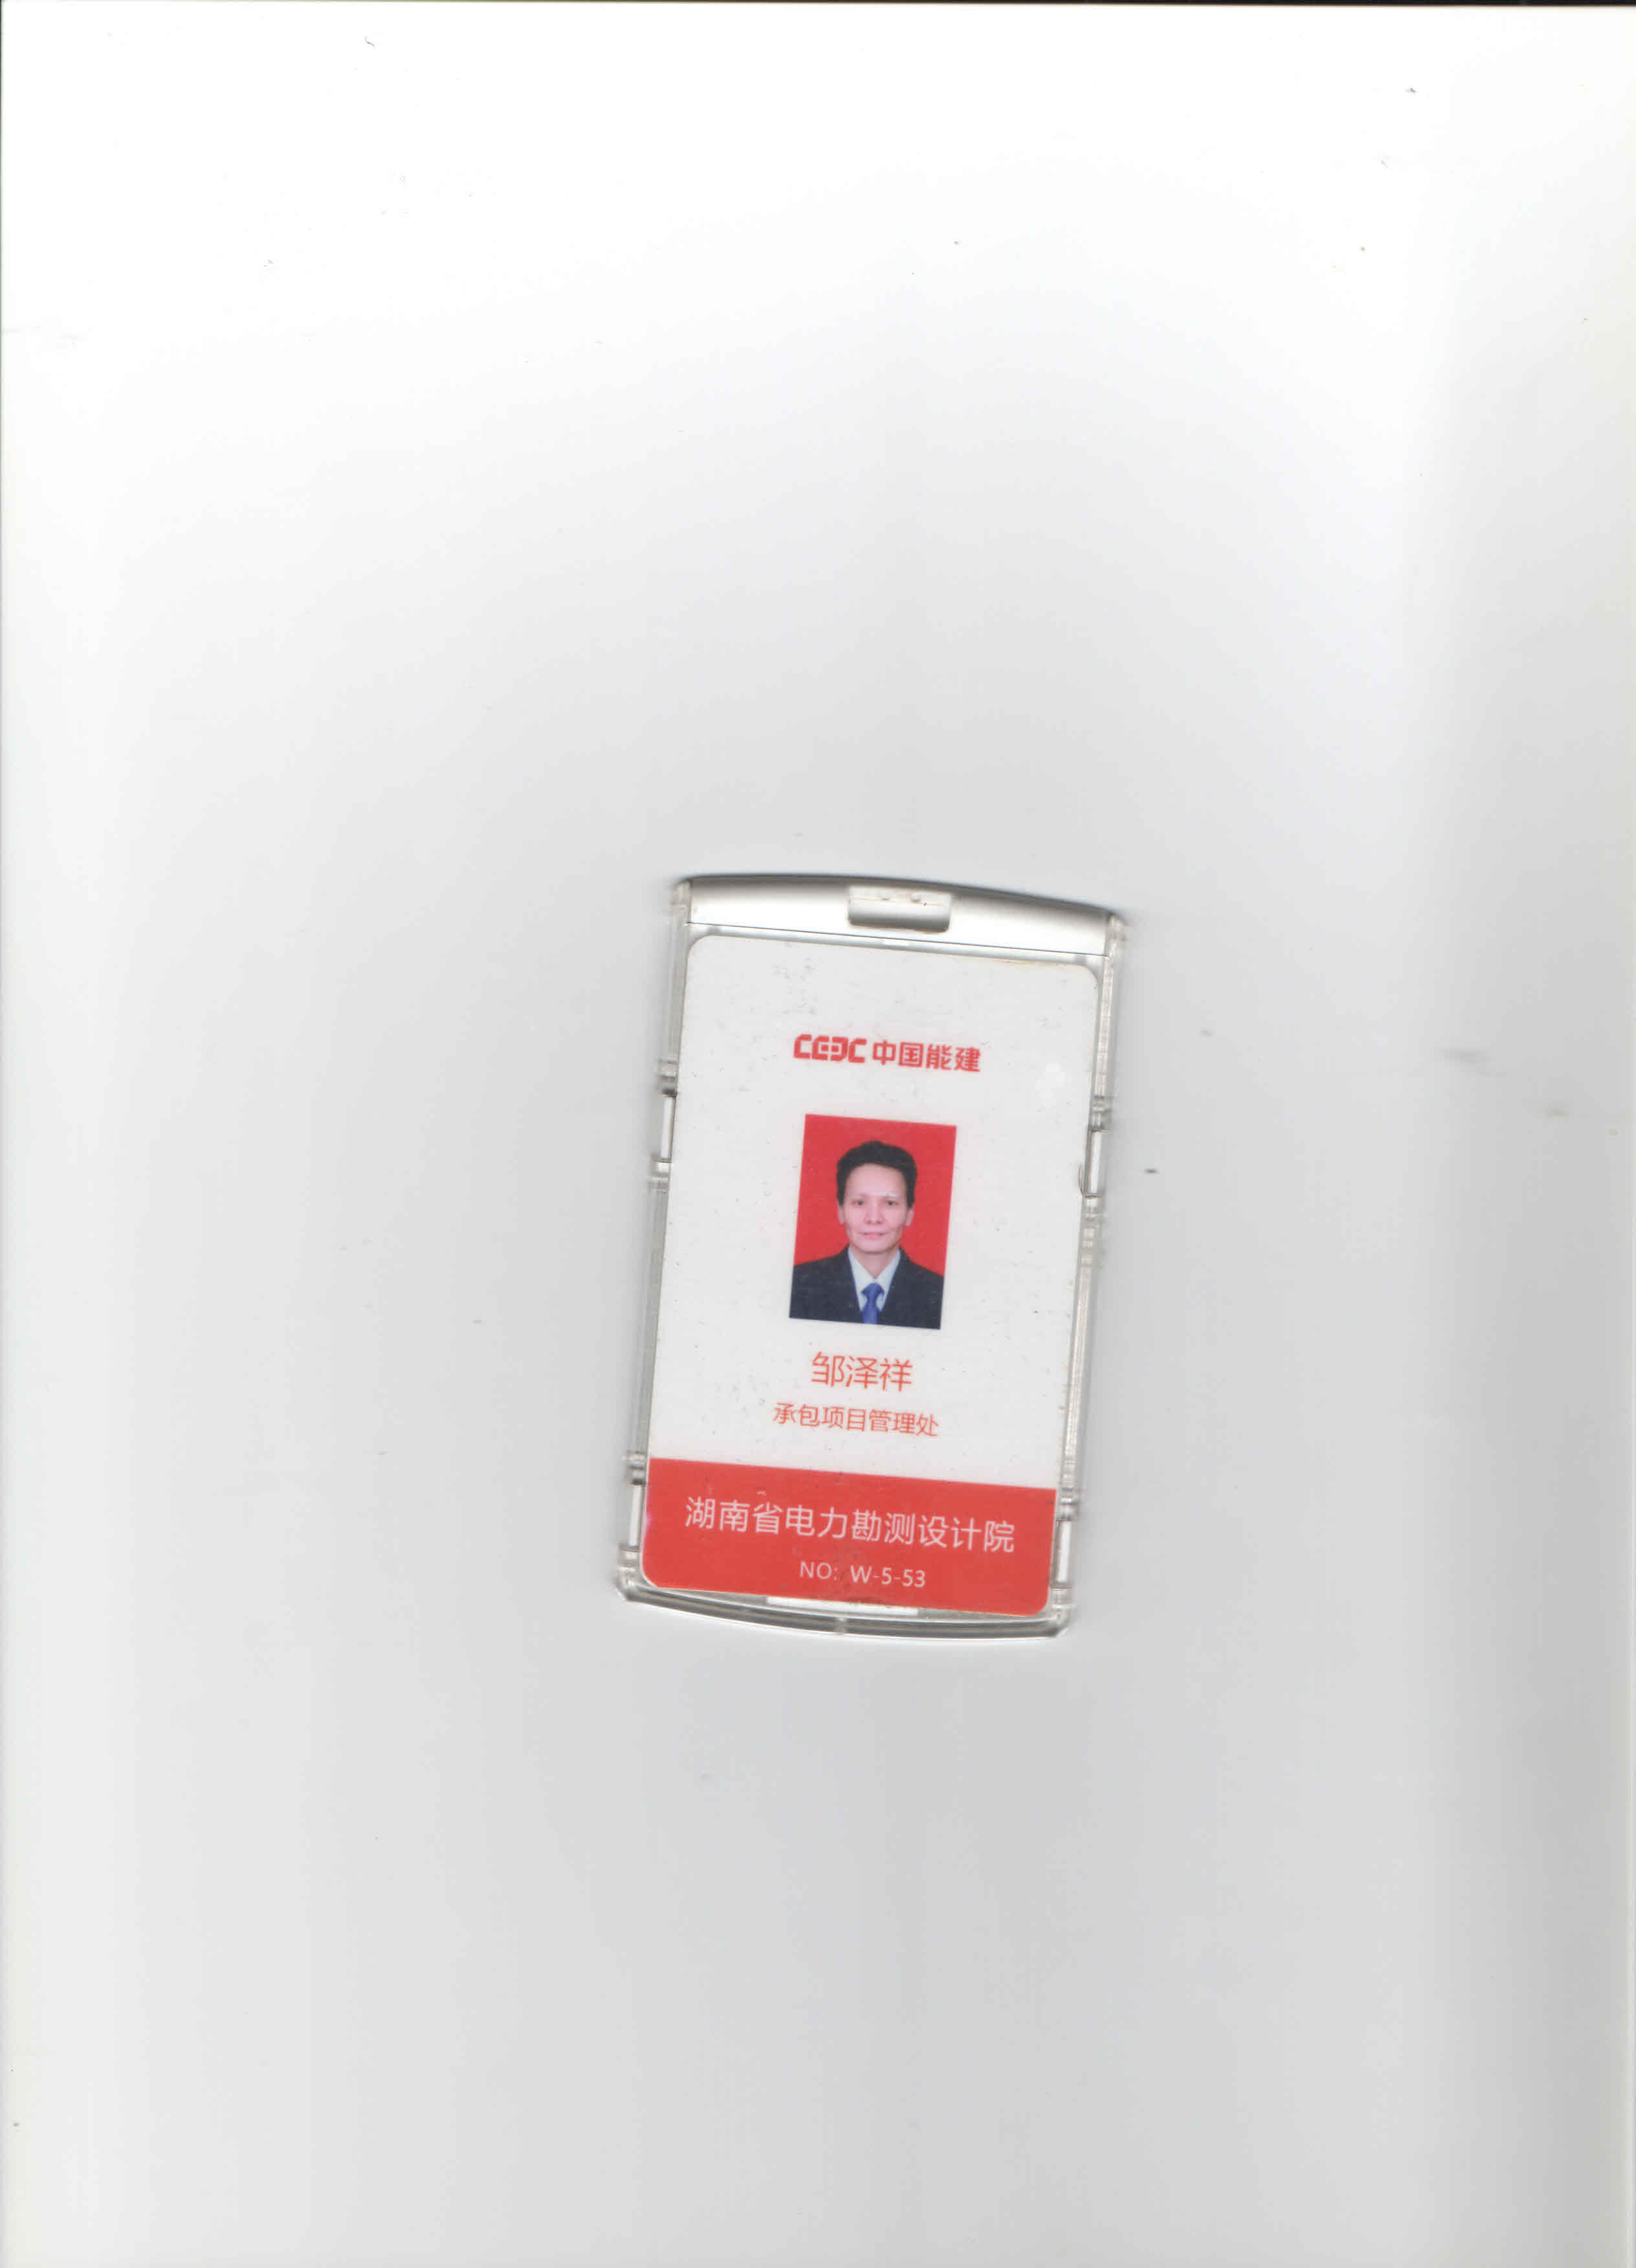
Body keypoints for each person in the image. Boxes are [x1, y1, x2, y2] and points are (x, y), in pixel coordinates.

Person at [789, 1139, 944, 1329]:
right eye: (860, 1203)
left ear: (910, 1213)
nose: (874, 1218)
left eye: (890, 1203)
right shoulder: (798, 1285)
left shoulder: (939, 1293)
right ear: (840, 1210)